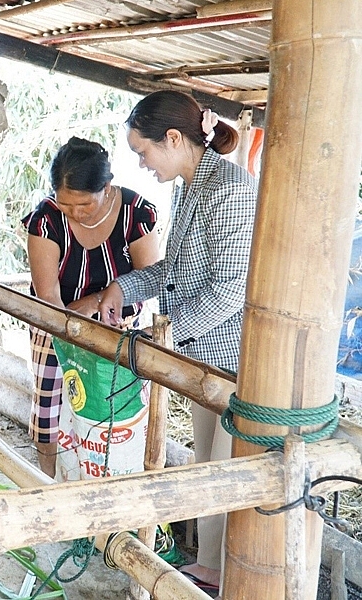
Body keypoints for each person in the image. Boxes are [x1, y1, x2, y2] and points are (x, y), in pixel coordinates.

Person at [97, 90, 258, 597]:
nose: (142, 165)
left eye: (143, 153)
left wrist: (167, 336)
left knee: (227, 465)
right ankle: (209, 566)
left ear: (173, 139)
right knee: (209, 461)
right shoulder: (188, 187)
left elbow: (232, 287)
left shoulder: (229, 188)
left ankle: (230, 574)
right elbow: (180, 270)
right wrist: (124, 286)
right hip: (202, 352)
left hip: (234, 355)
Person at [22, 137, 160, 478]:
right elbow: (48, 298)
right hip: (56, 328)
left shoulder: (135, 214)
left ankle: (111, 480)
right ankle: (50, 482)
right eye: (66, 204)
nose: (75, 213)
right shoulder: (46, 220)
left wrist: (96, 302)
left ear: (107, 187)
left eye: (84, 204)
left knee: (113, 414)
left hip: (120, 329)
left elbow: (150, 277)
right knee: (49, 410)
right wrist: (74, 324)